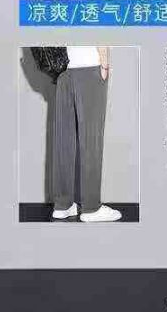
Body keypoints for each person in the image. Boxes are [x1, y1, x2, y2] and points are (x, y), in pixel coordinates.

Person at [51, 46, 122, 223]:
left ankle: (62, 205)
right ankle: (91, 208)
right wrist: (104, 64)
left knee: (63, 140)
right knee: (91, 138)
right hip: (89, 67)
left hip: (63, 70)